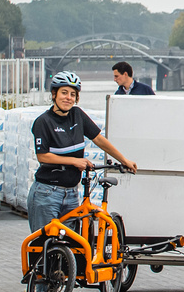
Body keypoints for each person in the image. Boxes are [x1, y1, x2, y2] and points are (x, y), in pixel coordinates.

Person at [29, 71, 138, 232]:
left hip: (72, 193)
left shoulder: (77, 115)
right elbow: (43, 156)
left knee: (70, 246)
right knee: (44, 244)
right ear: (54, 94)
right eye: (64, 93)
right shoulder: (43, 122)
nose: (68, 98)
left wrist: (123, 160)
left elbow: (99, 139)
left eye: (73, 94)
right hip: (47, 193)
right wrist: (74, 161)